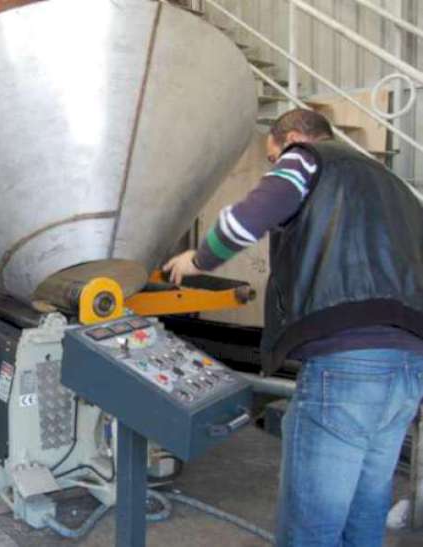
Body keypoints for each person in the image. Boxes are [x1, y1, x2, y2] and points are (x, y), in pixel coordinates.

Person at [163, 108, 423, 546]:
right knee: (366, 508)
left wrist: (198, 259)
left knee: (313, 522)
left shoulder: (307, 158)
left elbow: (246, 218)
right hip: (409, 364)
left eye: (272, 157)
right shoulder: (393, 185)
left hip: (347, 361)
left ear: (294, 137)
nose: (274, 164)